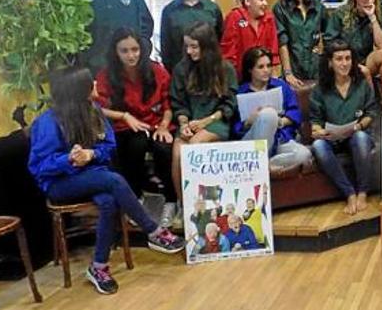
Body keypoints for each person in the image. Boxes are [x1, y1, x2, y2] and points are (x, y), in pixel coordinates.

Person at [28, 67, 184, 295]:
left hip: (93, 176)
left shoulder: (95, 112)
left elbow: (108, 146)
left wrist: (91, 155)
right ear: (77, 91)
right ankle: (152, 231)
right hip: (60, 184)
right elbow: (39, 166)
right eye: (89, 83)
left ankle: (99, 267)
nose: (94, 84)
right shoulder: (48, 122)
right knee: (113, 180)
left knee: (109, 200)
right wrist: (68, 159)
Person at [94, 27, 178, 224]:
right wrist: (123, 116)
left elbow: (169, 104)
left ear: (141, 49)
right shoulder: (106, 75)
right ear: (115, 52)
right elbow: (96, 108)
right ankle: (136, 198)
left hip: (157, 123)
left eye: (135, 49)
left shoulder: (157, 70)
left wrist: (164, 125)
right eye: (124, 51)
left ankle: (171, 201)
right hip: (127, 127)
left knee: (164, 148)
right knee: (135, 144)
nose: (131, 55)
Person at [309, 39, 381, 215]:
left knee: (361, 138)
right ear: (330, 63)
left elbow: (371, 112)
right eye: (339, 59)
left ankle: (362, 192)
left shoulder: (361, 84)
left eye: (348, 58)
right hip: (332, 138)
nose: (344, 63)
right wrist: (318, 131)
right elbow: (315, 121)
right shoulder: (320, 89)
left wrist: (359, 126)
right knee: (318, 146)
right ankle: (349, 193)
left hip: (357, 133)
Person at [170, 22, 237, 209]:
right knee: (177, 153)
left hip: (216, 121)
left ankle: (205, 204)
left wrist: (206, 121)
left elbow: (229, 105)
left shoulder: (225, 68)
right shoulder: (181, 69)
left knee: (193, 149)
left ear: (206, 46)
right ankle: (184, 206)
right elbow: (178, 104)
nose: (189, 51)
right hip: (189, 122)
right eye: (187, 46)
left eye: (194, 46)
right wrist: (183, 124)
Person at [233, 47, 313, 176]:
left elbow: (295, 113)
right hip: (252, 145)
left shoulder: (281, 86)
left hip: (279, 140)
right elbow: (234, 129)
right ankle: (260, 162)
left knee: (304, 154)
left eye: (269, 66)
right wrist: (249, 122)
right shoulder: (241, 92)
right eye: (261, 67)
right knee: (268, 113)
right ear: (250, 70)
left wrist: (279, 121)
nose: (266, 70)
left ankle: (263, 165)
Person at [160, 0, 223, 72]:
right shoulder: (169, 11)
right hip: (182, 73)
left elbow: (220, 41)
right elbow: (166, 48)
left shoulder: (212, 8)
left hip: (210, 71)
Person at [273, 0, 327, 91]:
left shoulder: (319, 7)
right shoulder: (280, 8)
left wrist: (322, 45)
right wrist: (288, 73)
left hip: (316, 68)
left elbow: (328, 34)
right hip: (293, 67)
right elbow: (282, 42)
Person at [324, 0, 382, 78]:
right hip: (344, 60)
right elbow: (329, 43)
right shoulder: (340, 14)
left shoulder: (377, 14)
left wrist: (372, 17)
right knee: (364, 72)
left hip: (366, 61)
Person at [220, 0, 280, 77]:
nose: (266, 3)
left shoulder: (269, 19)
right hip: (240, 79)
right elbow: (228, 54)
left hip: (264, 78)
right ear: (248, 1)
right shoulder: (234, 17)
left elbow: (273, 52)